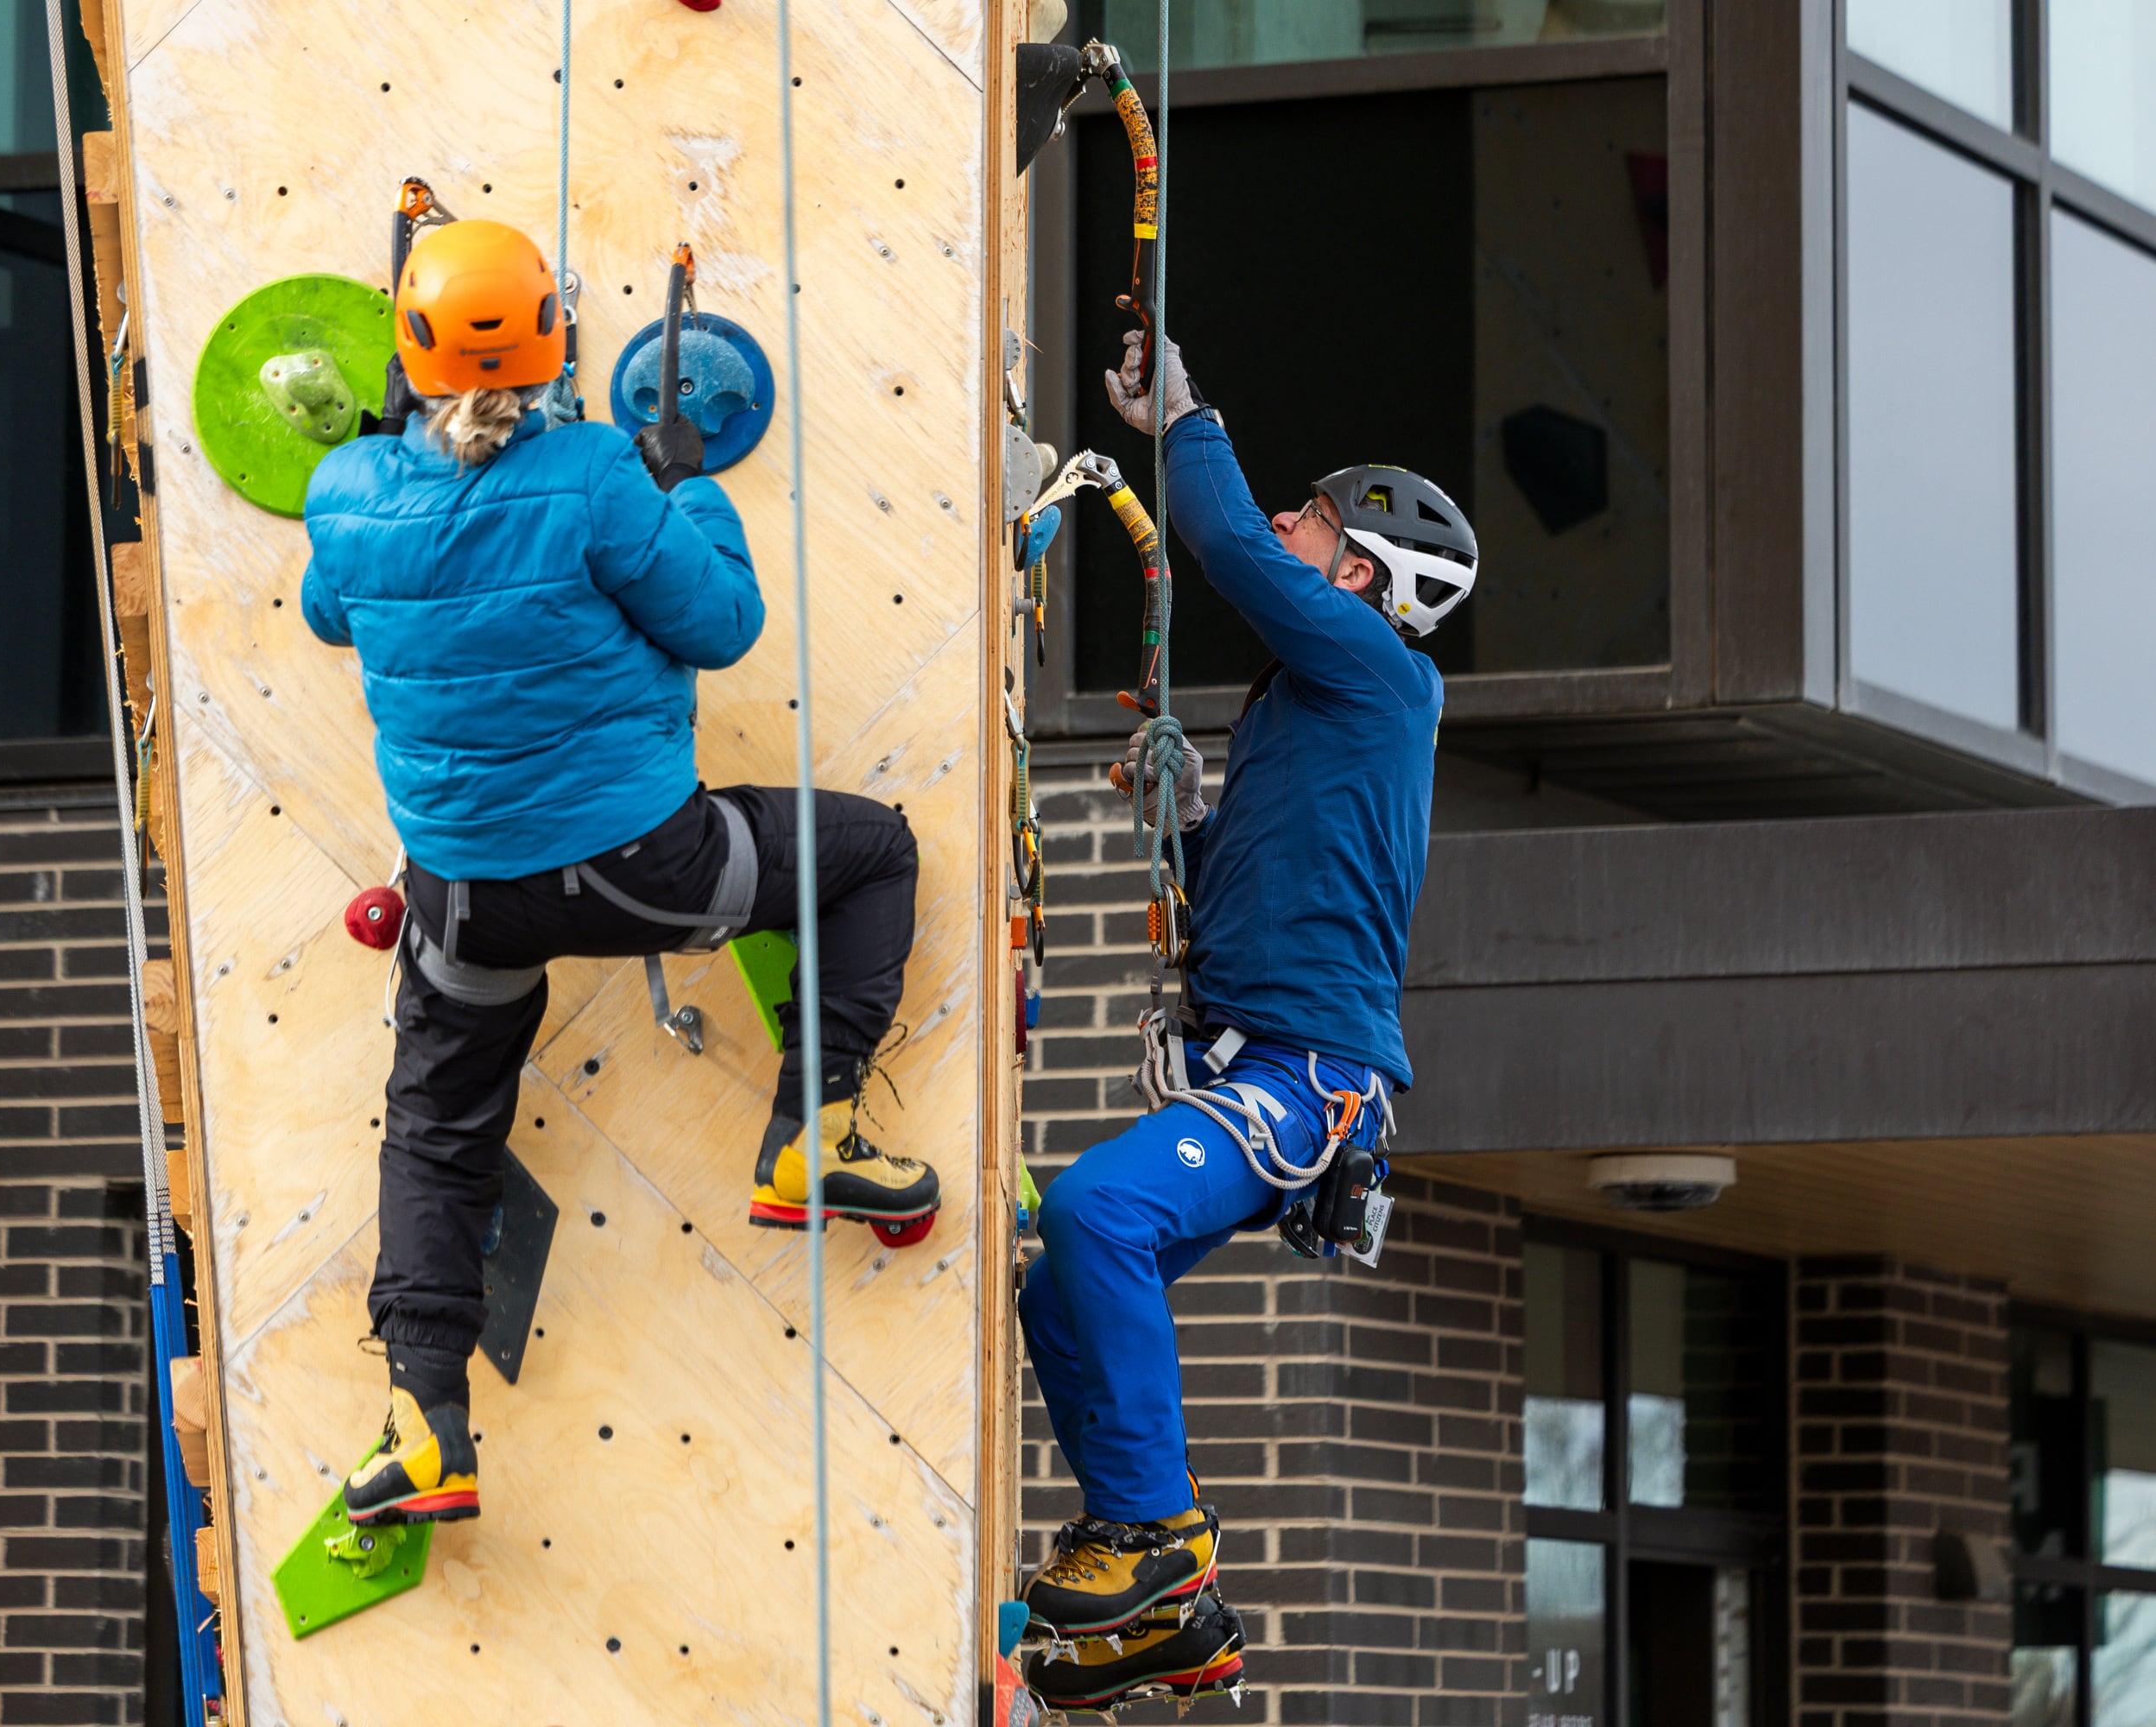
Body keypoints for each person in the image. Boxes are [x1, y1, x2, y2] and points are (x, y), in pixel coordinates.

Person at [300, 218, 938, 1528]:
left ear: (408, 354)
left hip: (467, 899)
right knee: (873, 852)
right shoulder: (600, 475)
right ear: (557, 348)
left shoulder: (349, 492)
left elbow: (327, 611)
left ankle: (426, 1426)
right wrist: (686, 487)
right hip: (649, 871)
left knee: (437, 1124)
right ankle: (806, 1134)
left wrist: (387, 458)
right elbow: (723, 622)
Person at [1015, 330, 1477, 1699]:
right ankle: (1153, 1598)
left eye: (1316, 523)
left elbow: (1222, 542)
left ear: (1365, 582)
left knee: (1097, 1212)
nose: (1287, 524)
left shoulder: (1382, 672)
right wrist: (1192, 826)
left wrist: (1189, 419)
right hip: (1272, 1057)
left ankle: (1159, 1534)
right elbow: (1270, 878)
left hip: (1309, 1072)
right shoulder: (1319, 706)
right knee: (1064, 1277)